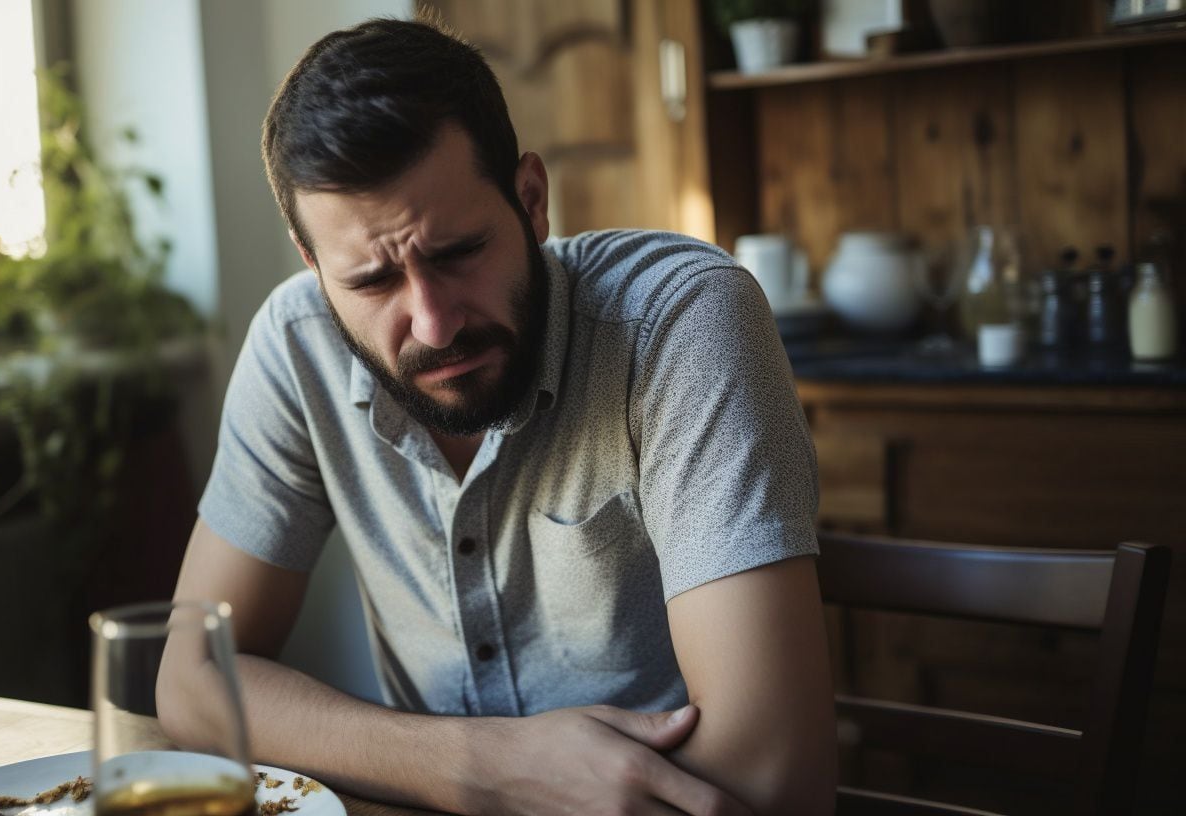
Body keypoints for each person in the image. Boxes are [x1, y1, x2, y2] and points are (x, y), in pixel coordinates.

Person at [164, 16, 836, 816]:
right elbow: (190, 679)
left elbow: (772, 778)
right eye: (373, 281)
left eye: (457, 253)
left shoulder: (681, 322)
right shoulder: (295, 344)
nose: (434, 323)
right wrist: (482, 766)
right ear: (315, 268)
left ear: (531, 199)